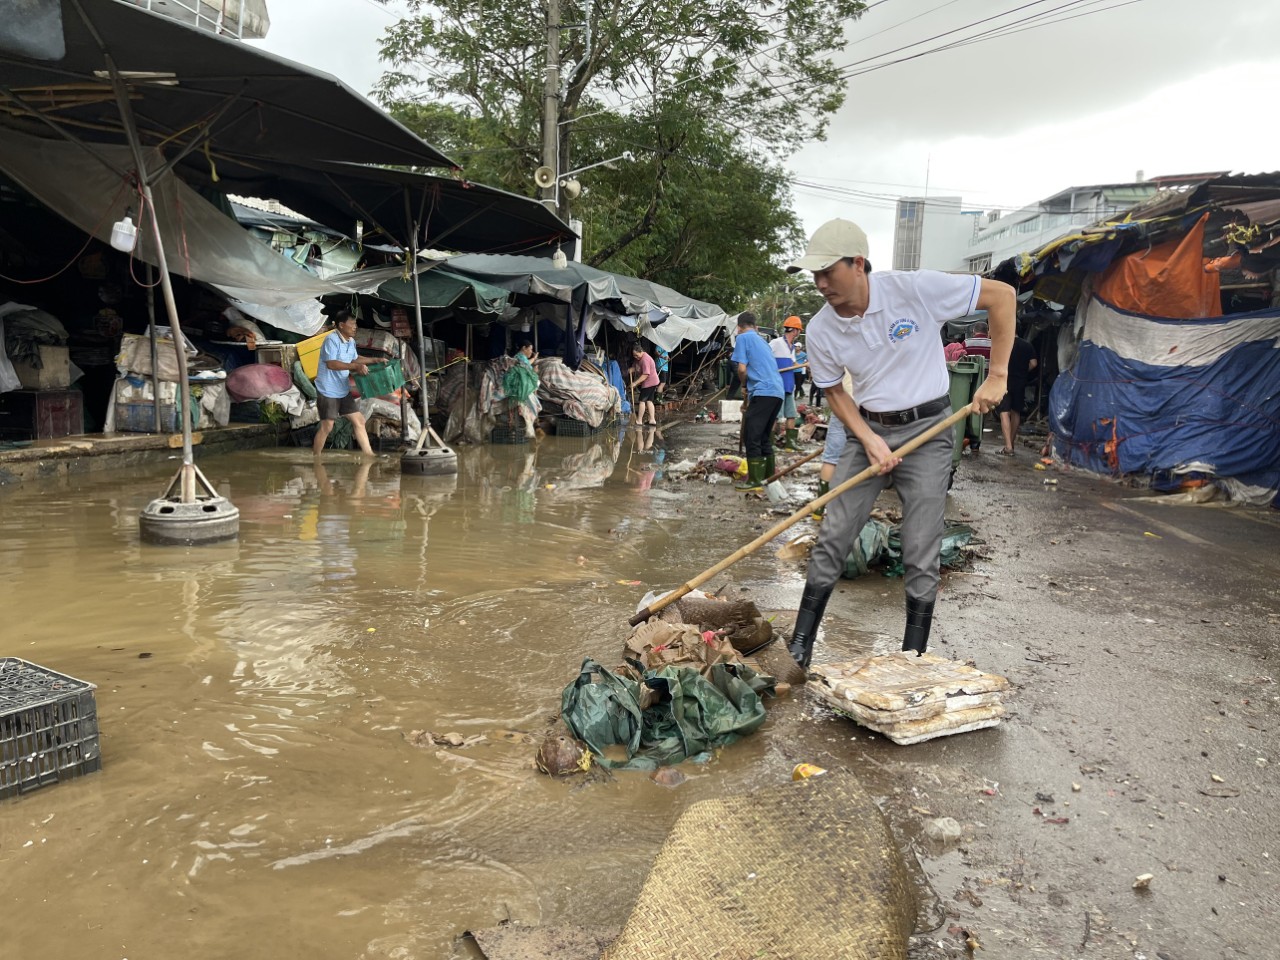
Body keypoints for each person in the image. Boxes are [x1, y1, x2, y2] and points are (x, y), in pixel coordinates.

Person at [783, 218, 1014, 668]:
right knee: (834, 534)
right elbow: (833, 392)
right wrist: (868, 439)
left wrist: (999, 375)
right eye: (815, 275)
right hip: (867, 429)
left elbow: (1001, 297)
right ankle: (800, 646)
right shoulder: (821, 329)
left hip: (927, 431)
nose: (821, 283)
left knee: (920, 543)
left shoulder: (914, 289)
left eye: (829, 271)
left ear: (859, 264)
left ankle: (913, 654)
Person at [729, 312, 785, 491]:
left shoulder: (742, 338)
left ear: (739, 327)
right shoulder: (763, 341)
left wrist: (744, 385)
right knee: (763, 436)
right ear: (756, 326)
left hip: (763, 391)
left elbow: (742, 369)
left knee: (751, 435)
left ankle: (755, 481)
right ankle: (769, 478)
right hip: (777, 391)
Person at [313, 308, 376, 457]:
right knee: (327, 426)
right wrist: (356, 367)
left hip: (342, 389)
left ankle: (370, 456)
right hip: (327, 390)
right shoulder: (331, 340)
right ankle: (316, 458)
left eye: (355, 324)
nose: (355, 327)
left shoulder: (350, 341)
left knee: (359, 421)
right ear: (341, 325)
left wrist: (375, 360)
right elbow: (332, 364)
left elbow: (354, 359)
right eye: (352, 324)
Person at [996, 334, 1038, 456]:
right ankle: (1011, 444)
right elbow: (1034, 363)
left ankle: (1008, 447)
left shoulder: (1003, 343)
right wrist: (1024, 370)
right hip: (1020, 382)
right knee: (1016, 412)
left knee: (1004, 413)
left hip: (1005, 382)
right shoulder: (1027, 345)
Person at [771, 316, 804, 450]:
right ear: (794, 330)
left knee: (791, 415)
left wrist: (806, 365)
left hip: (789, 385)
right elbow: (766, 358)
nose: (798, 333)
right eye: (798, 330)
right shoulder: (776, 343)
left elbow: (793, 363)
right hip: (777, 386)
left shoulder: (791, 348)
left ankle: (791, 443)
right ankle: (771, 443)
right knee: (775, 416)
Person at [629, 344, 660, 426]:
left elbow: (645, 374)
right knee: (649, 401)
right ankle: (652, 420)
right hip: (652, 382)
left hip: (650, 382)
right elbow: (637, 367)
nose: (635, 357)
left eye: (636, 355)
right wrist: (632, 369)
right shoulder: (639, 359)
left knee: (642, 401)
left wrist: (635, 383)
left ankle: (639, 420)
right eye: (634, 355)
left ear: (641, 351)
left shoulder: (645, 359)